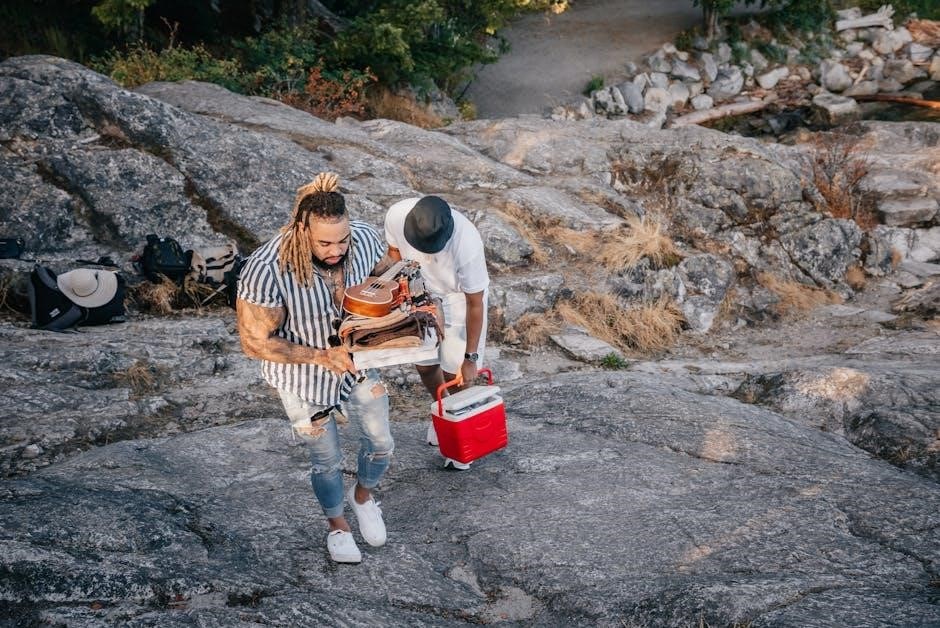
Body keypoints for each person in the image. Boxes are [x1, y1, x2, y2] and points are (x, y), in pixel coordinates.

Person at [236, 172, 396, 564]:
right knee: (326, 460)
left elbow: (385, 275)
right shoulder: (266, 268)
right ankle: (338, 526)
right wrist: (322, 357)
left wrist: (404, 307)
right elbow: (254, 342)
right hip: (302, 377)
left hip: (357, 363)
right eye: (325, 243)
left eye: (342, 240)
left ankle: (363, 498)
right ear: (301, 229)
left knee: (381, 443)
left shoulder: (363, 238)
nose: (337, 250)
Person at [384, 195, 489, 470]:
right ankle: (443, 414)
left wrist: (470, 358)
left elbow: (475, 303)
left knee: (456, 374)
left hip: (458, 299)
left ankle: (459, 435)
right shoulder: (397, 215)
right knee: (424, 365)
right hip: (420, 293)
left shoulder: (467, 243)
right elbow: (394, 254)